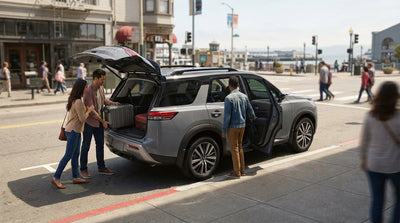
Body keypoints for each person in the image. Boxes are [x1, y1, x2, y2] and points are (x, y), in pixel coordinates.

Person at [360, 81, 400, 223]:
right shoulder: (398, 117)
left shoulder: (370, 116)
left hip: (374, 165)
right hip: (394, 166)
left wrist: (363, 159)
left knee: (377, 199)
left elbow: (364, 141)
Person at [51, 78, 94, 189]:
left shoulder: (74, 99)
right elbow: (82, 119)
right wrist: (89, 111)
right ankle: (56, 178)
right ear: (81, 88)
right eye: (85, 87)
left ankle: (76, 177)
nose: (86, 89)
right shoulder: (78, 101)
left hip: (75, 131)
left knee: (75, 155)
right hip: (74, 131)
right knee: (68, 155)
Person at [80, 69, 119, 178]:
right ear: (96, 78)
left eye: (104, 79)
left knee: (100, 145)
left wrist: (113, 103)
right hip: (90, 123)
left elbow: (104, 100)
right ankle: (83, 169)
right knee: (86, 146)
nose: (103, 81)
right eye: (102, 79)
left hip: (99, 123)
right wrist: (103, 122)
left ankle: (101, 168)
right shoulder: (88, 91)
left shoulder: (101, 88)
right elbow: (92, 112)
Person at [222, 76, 256, 179]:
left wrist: (224, 130)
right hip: (242, 126)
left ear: (229, 86)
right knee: (240, 147)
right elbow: (251, 112)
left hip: (232, 127)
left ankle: (236, 173)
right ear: (238, 85)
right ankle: (242, 170)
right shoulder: (244, 96)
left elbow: (227, 117)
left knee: (234, 149)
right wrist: (254, 119)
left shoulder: (228, 98)